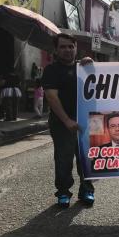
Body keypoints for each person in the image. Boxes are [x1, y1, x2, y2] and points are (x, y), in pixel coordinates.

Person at [41, 33, 95, 208]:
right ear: (56, 50)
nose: (67, 50)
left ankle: (87, 190)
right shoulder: (51, 70)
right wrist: (66, 120)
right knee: (64, 159)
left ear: (76, 48)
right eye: (63, 47)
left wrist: (91, 64)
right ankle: (63, 192)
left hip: (86, 122)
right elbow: (51, 97)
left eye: (71, 46)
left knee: (86, 159)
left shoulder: (84, 68)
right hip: (62, 124)